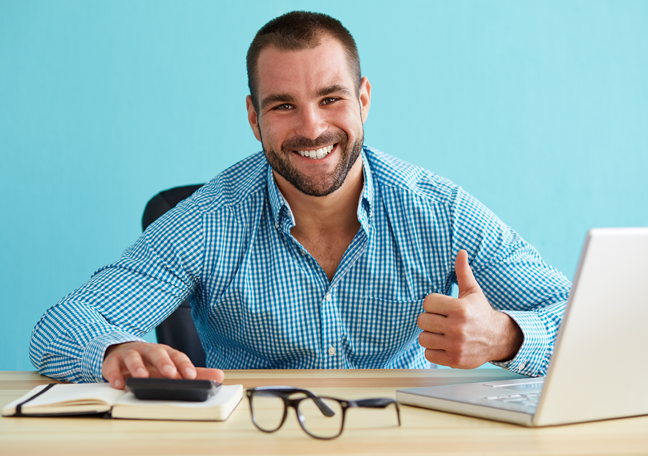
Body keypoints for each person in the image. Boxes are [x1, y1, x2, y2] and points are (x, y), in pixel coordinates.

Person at [30, 11, 571, 389]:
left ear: (362, 100)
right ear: (253, 118)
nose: (312, 128)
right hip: (251, 440)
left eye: (331, 98)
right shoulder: (206, 221)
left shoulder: (440, 211)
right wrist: (113, 352)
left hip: (403, 437)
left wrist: (506, 336)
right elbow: (62, 325)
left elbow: (589, 322)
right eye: (284, 105)